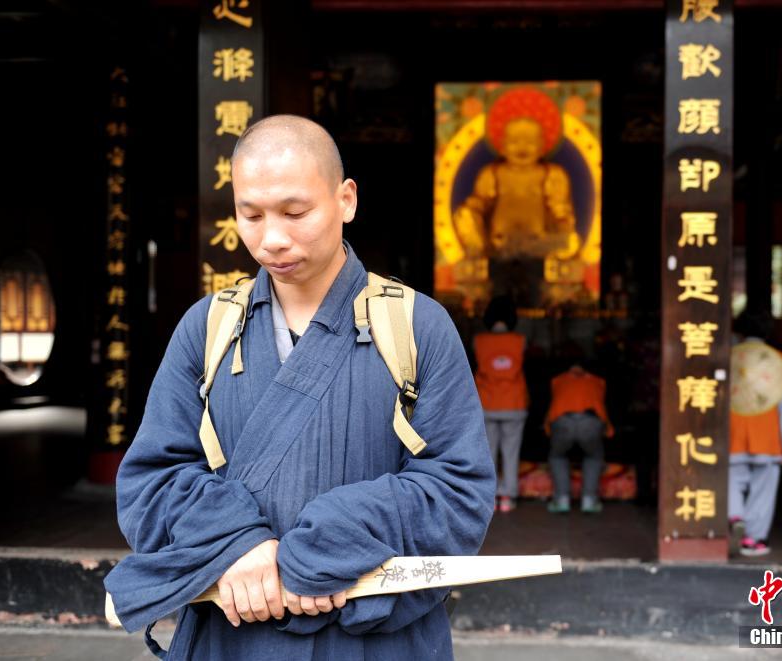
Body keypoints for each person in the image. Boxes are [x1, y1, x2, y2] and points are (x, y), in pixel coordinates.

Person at [104, 115, 496, 659]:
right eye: (250, 215)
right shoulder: (208, 328)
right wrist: (237, 544)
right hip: (233, 632)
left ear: (346, 200)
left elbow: (460, 493)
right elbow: (150, 483)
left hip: (374, 641)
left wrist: (328, 543)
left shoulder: (416, 327)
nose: (272, 239)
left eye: (295, 212)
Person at [728, 309, 782, 557]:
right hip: (767, 435)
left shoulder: (729, 357)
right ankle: (752, 538)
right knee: (763, 487)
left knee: (732, 479)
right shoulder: (779, 360)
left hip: (733, 432)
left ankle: (734, 514)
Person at [473, 295, 528, 513]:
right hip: (514, 403)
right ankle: (509, 497)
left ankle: (491, 497)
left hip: (487, 403)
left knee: (488, 453)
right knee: (511, 452)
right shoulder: (520, 340)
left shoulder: (478, 340)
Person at [545, 359, 614, 514]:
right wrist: (608, 429)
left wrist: (548, 429)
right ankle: (589, 501)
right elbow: (601, 406)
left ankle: (562, 500)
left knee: (557, 456)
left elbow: (553, 406)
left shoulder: (558, 380)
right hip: (591, 422)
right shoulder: (598, 381)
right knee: (594, 456)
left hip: (563, 421)